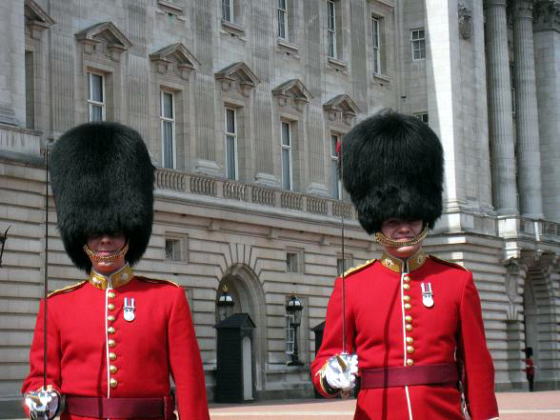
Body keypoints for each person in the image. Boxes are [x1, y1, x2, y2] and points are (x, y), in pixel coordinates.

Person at [310, 110, 499, 420]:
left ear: (424, 217)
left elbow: (476, 363)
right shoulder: (351, 286)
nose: (404, 229)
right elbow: (327, 358)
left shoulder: (456, 281)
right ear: (378, 224)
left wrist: (485, 415)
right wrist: (331, 376)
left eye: (411, 219)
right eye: (393, 221)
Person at [21, 122, 210, 420]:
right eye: (95, 233)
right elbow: (40, 378)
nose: (105, 240)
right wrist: (40, 398)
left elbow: (189, 383)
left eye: (114, 232)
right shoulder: (56, 306)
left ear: (129, 234)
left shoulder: (167, 299)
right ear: (82, 237)